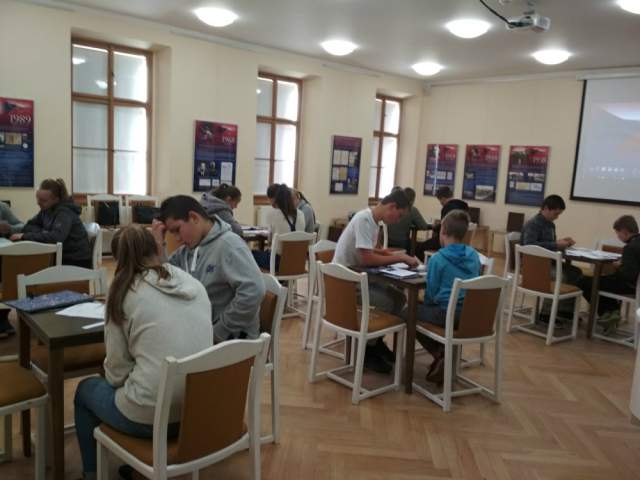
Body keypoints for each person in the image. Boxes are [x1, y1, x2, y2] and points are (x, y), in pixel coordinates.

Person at [73, 225, 213, 480]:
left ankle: (91, 474)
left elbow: (116, 373)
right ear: (155, 248)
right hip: (197, 413)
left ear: (118, 257)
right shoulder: (192, 283)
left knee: (85, 391)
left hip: (150, 418)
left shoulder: (122, 292)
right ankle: (137, 458)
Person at [152, 195, 265, 341]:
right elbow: (167, 279)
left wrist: (218, 332)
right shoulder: (188, 250)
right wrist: (159, 245)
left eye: (177, 230)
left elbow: (254, 291)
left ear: (194, 217)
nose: (177, 238)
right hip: (202, 329)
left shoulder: (229, 245)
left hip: (231, 340)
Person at [333, 189, 419, 373]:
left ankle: (376, 341)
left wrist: (385, 253)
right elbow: (367, 259)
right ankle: (367, 351)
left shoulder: (372, 220)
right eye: (399, 215)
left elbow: (367, 249)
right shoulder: (364, 219)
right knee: (387, 301)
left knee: (399, 298)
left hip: (356, 277)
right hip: (344, 284)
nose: (398, 220)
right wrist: (400, 258)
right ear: (392, 206)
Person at [409, 210, 481, 384]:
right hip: (470, 315)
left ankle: (440, 353)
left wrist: (421, 302)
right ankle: (443, 354)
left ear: (443, 231)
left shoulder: (438, 259)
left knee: (408, 311)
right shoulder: (473, 255)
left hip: (447, 314)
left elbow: (431, 296)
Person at [521, 194, 582, 320]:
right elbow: (529, 246)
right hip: (534, 265)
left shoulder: (550, 225)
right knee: (561, 276)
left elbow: (549, 244)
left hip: (548, 262)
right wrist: (556, 244)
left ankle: (564, 310)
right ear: (546, 208)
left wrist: (562, 243)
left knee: (576, 272)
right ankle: (546, 313)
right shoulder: (533, 224)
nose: (557, 217)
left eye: (559, 214)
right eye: (556, 213)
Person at [10, 178, 91, 268]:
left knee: (28, 265)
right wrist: (44, 232)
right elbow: (28, 226)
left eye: (43, 200)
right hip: (60, 256)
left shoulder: (64, 213)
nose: (38, 203)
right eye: (38, 198)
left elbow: (56, 238)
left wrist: (25, 236)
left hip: (77, 261)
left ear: (56, 200)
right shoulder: (46, 210)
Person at [579, 215, 640, 332]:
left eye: (618, 233)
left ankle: (607, 313)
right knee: (602, 281)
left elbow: (627, 275)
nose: (618, 236)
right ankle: (612, 312)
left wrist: (618, 266)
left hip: (630, 286)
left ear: (624, 231)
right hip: (635, 286)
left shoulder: (630, 247)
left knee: (585, 282)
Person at [252, 184, 305, 270]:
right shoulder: (301, 214)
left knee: (250, 254)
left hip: (278, 263)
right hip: (298, 262)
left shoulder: (273, 214)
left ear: (277, 199)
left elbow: (270, 241)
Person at [416, 185, 468, 258]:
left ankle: (430, 263)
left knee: (419, 248)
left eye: (440, 200)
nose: (441, 203)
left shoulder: (447, 207)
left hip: (447, 240)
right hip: (459, 241)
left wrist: (435, 227)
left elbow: (443, 228)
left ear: (442, 198)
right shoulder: (463, 207)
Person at [0, 201, 24, 337]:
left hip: (3, 257)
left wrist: (9, 228)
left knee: (11, 271)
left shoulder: (2, 207)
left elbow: (22, 225)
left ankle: (2, 317)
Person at [386, 187, 430, 251]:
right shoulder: (412, 210)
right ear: (412, 200)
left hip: (386, 242)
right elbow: (424, 226)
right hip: (401, 243)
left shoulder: (391, 207)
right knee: (417, 247)